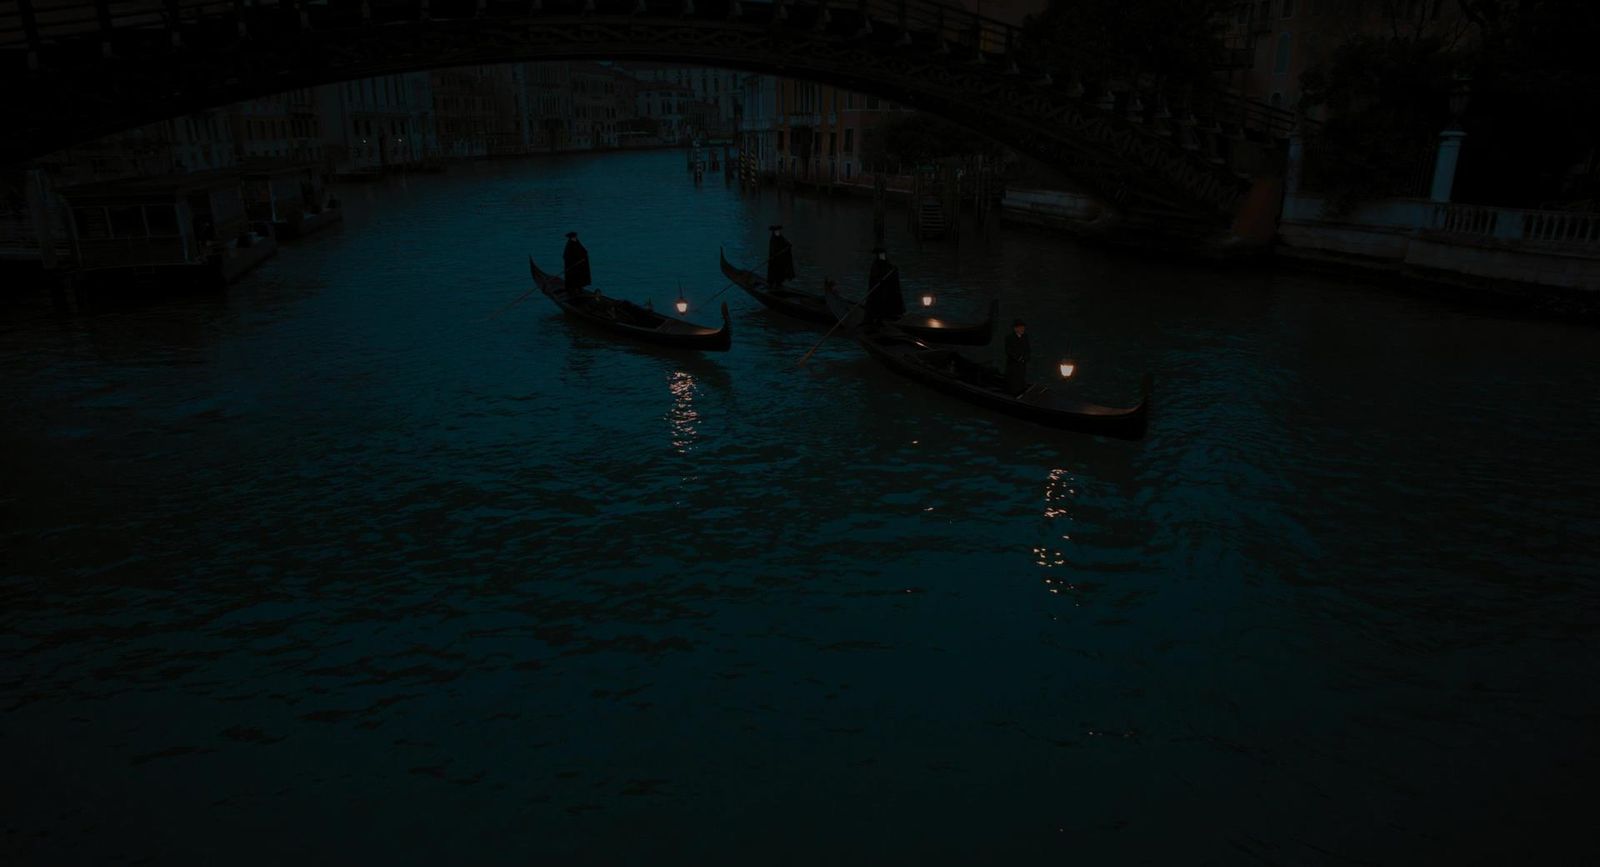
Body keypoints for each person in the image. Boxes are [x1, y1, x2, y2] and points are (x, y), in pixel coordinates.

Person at [864, 245, 904, 326]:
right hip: (878, 289)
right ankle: (878, 318)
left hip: (885, 288)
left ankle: (886, 316)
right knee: (878, 302)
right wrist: (879, 279)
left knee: (885, 301)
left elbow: (889, 270)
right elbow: (875, 276)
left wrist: (893, 269)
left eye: (882, 253)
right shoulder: (876, 264)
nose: (882, 255)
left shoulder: (886, 263)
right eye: (880, 254)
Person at [1005, 318, 1031, 395]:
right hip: (1013, 364)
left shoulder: (1025, 337)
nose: (1023, 329)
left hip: (1022, 364)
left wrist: (1026, 358)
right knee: (1013, 379)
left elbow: (1028, 349)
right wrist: (1018, 358)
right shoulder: (1009, 338)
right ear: (1015, 328)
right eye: (1021, 327)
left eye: (1023, 327)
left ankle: (1020, 392)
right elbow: (1009, 351)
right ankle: (1012, 394)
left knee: (1021, 378)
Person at [767, 224, 796, 290]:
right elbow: (772, 249)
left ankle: (779, 284)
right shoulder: (772, 239)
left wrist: (789, 244)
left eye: (778, 231)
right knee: (773, 272)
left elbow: (786, 243)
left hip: (780, 260)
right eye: (776, 231)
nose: (778, 232)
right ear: (774, 232)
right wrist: (774, 254)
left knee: (780, 272)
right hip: (774, 260)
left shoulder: (781, 237)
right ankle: (772, 284)